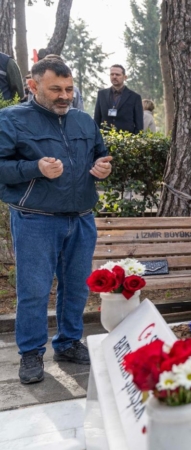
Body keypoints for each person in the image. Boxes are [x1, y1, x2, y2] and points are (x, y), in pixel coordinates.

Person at [0, 57, 113, 384]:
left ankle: (68, 343)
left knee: (76, 287)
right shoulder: (11, 119)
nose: (65, 96)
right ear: (33, 86)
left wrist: (103, 168)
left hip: (81, 218)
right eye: (56, 89)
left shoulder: (83, 120)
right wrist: (35, 168)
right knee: (34, 290)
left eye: (69, 88)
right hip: (35, 219)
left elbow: (100, 155)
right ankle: (31, 353)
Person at [93, 64, 143, 133]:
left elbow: (139, 125)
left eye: (117, 74)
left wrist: (136, 138)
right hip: (105, 137)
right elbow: (97, 119)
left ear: (125, 77)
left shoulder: (135, 97)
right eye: (112, 74)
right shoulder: (101, 94)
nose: (114, 77)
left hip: (126, 138)